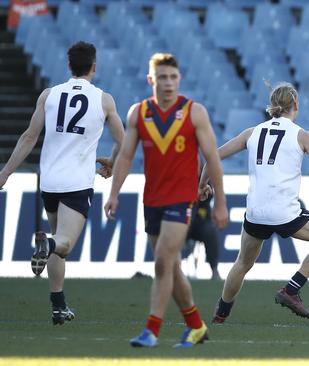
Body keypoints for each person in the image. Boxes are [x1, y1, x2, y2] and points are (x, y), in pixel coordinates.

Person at [205, 82, 309, 323]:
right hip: (285, 213)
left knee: (243, 263)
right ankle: (291, 289)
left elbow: (212, 157)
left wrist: (203, 184)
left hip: (255, 213)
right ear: (295, 105)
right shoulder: (302, 135)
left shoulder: (251, 132)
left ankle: (220, 314)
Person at [104, 53, 229, 348]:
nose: (169, 83)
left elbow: (212, 158)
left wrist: (220, 202)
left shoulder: (194, 112)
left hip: (182, 199)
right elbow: (125, 156)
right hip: (152, 199)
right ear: (151, 80)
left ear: (179, 79)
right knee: (170, 266)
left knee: (162, 262)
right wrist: (113, 193)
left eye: (173, 77)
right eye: (162, 77)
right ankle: (196, 326)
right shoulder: (139, 113)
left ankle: (151, 330)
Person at [0, 41, 124, 325]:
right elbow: (124, 140)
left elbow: (29, 137)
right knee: (63, 244)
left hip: (50, 181)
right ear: (94, 66)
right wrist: (113, 162)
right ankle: (48, 245)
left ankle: (58, 306)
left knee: (57, 240)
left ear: (69, 66)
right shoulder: (104, 99)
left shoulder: (49, 94)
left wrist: (6, 172)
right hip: (77, 181)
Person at [185, 193, 221, 280]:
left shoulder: (204, 179)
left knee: (210, 231)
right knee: (175, 229)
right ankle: (171, 269)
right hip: (182, 213)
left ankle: (214, 269)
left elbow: (210, 193)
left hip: (202, 218)